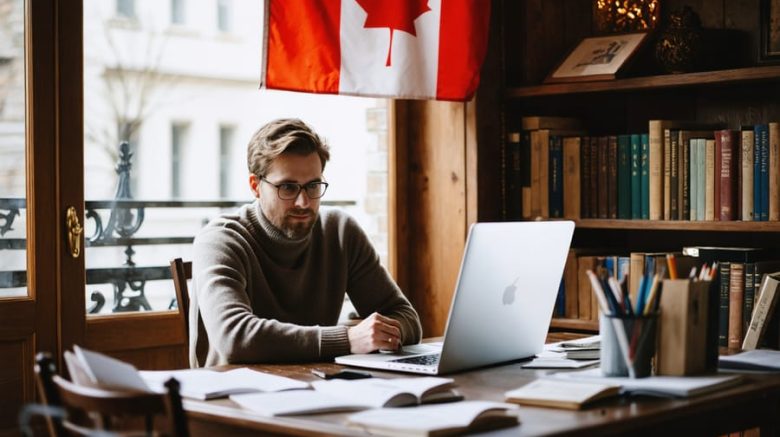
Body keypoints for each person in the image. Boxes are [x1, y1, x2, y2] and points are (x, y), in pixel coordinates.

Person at [189, 118, 422, 367]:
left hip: (319, 389)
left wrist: (380, 332)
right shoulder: (221, 239)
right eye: (288, 187)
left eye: (313, 186)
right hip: (233, 397)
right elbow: (235, 337)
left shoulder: (340, 232)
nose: (303, 202)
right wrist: (348, 339)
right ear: (255, 186)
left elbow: (406, 318)